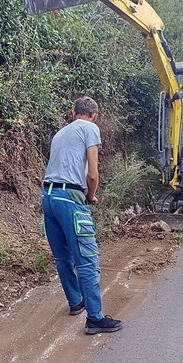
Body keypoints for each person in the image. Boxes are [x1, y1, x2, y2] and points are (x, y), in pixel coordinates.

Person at [42, 96, 122, 335]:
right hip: (70, 199)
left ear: (73, 112)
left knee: (63, 257)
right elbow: (92, 174)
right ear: (94, 116)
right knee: (87, 260)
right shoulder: (90, 128)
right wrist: (91, 196)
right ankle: (95, 318)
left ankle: (76, 302)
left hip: (48, 198)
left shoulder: (60, 133)